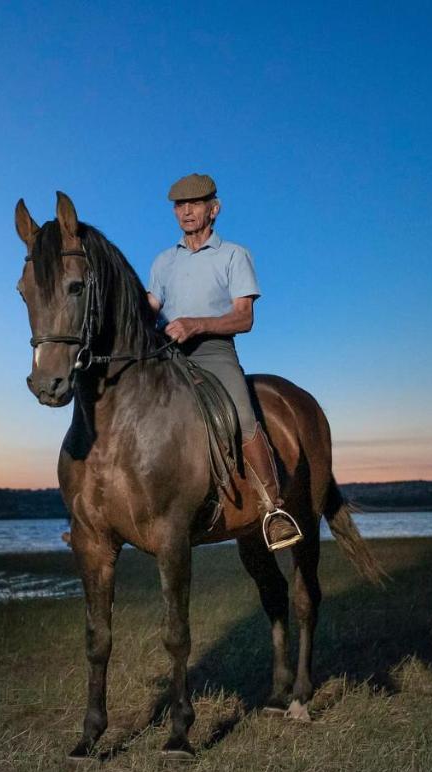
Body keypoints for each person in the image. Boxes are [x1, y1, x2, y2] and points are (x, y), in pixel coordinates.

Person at [147, 173, 303, 551]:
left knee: (242, 416)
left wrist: (197, 325)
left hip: (214, 351)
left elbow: (244, 317)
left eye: (195, 204)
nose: (186, 211)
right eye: (179, 205)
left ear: (213, 209)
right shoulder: (164, 261)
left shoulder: (234, 255)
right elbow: (151, 307)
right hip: (167, 352)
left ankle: (272, 508)